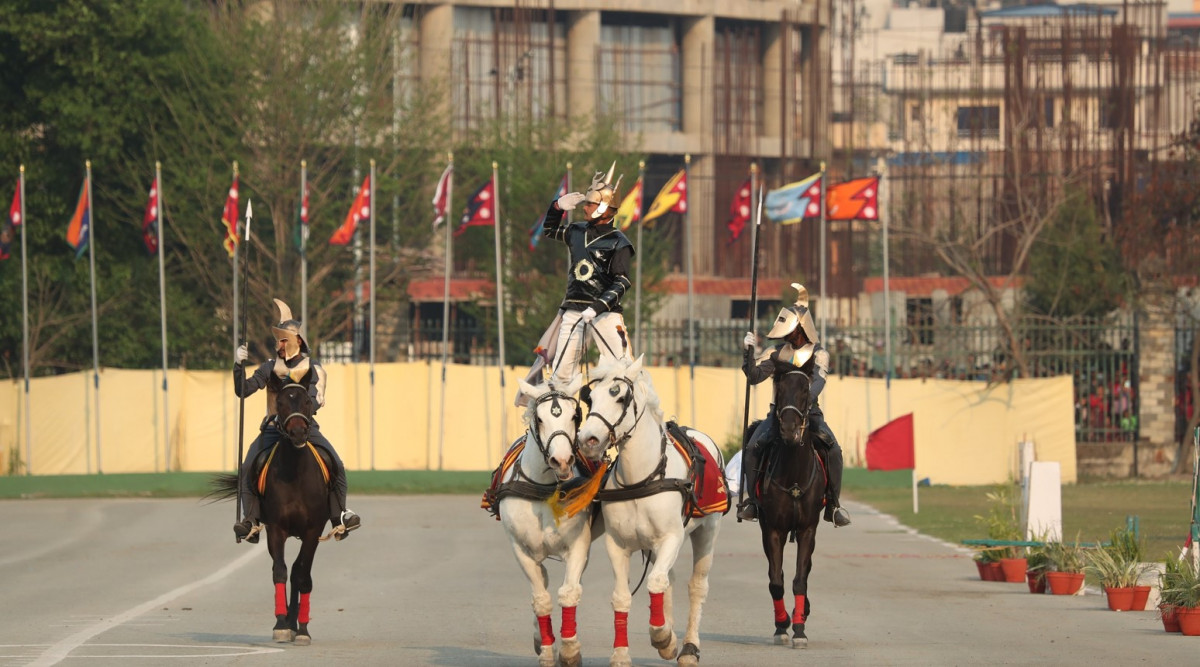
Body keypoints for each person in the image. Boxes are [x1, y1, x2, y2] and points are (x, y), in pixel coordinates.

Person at [232, 299, 361, 543]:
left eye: (283, 339)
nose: (278, 344)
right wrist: (238, 365)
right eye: (278, 340)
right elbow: (244, 390)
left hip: (303, 427)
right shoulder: (269, 367)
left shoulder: (313, 367)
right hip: (272, 429)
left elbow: (315, 397)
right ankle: (250, 520)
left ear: (297, 341)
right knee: (247, 467)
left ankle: (340, 515)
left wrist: (302, 407)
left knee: (336, 464)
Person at [737, 283, 851, 527]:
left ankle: (833, 504)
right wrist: (748, 353)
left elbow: (819, 381)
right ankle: (753, 502)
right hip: (777, 415)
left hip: (810, 414)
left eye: (790, 330)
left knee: (834, 450)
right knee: (753, 448)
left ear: (800, 328)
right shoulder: (775, 353)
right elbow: (754, 377)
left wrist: (802, 404)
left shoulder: (818, 353)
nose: (786, 335)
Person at [520, 163, 635, 393]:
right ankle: (560, 425)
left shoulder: (619, 242)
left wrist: (598, 306)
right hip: (573, 310)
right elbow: (550, 230)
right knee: (561, 375)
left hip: (605, 313)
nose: (585, 208)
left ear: (603, 207)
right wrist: (557, 207)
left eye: (590, 204)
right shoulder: (576, 231)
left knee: (624, 369)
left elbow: (622, 281)